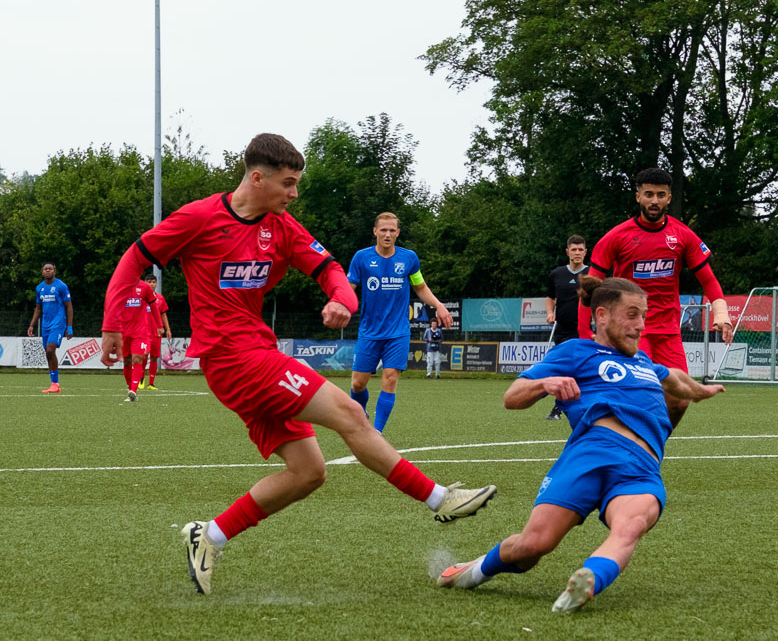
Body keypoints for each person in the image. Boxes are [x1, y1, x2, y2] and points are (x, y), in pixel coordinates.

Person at [99, 134, 496, 596]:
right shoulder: (200, 217)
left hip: (257, 353)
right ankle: (439, 498)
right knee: (350, 413)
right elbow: (136, 256)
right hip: (231, 358)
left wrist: (342, 299)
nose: (293, 194)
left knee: (308, 473)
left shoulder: (281, 227)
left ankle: (208, 536)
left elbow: (327, 268)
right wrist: (113, 324)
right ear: (257, 177)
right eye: (288, 184)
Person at [436, 275, 724, 613]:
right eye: (632, 315)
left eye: (643, 316)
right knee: (533, 547)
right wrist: (547, 383)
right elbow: (511, 397)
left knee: (630, 526)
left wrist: (701, 392)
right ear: (601, 315)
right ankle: (470, 572)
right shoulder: (576, 351)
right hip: (589, 455)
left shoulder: (646, 364)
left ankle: (588, 579)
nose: (640, 326)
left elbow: (675, 379)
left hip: (639, 470)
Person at [577, 167, 733, 421]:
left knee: (680, 399)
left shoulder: (683, 235)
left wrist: (722, 314)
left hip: (669, 331)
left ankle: (649, 447)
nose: (654, 201)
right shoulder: (616, 237)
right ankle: (629, 448)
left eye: (661, 195)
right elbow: (588, 291)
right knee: (641, 396)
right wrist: (586, 336)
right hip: (630, 331)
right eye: (648, 194)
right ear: (638, 197)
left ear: (669, 198)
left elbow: (708, 279)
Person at [347, 212, 452, 433]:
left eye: (392, 230)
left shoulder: (409, 258)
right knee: (358, 383)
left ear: (398, 233)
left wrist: (439, 305)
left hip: (398, 331)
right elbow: (350, 288)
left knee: (391, 378)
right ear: (375, 231)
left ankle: (376, 433)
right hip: (369, 331)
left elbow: (420, 287)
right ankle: (361, 409)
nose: (387, 234)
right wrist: (340, 303)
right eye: (383, 230)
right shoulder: (361, 258)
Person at [544, 234, 589, 420]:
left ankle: (586, 406)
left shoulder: (593, 273)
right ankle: (558, 407)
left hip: (585, 329)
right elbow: (550, 297)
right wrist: (549, 312)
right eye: (574, 249)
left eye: (580, 250)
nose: (577, 253)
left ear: (585, 252)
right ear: (567, 251)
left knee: (583, 369)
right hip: (562, 330)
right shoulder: (557, 274)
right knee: (564, 369)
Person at [27, 262, 73, 393]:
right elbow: (38, 308)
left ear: (54, 271)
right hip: (45, 325)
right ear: (42, 272)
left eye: (50, 269)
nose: (48, 271)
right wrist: (32, 325)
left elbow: (69, 307)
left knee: (50, 349)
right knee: (48, 353)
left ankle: (55, 383)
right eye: (45, 269)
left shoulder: (61, 286)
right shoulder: (39, 288)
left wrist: (69, 327)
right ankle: (54, 384)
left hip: (58, 323)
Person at [118, 277, 159, 402]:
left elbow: (157, 309)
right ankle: (131, 389)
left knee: (139, 358)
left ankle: (135, 390)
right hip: (124, 331)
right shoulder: (120, 287)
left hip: (141, 332)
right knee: (127, 361)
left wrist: (160, 326)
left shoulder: (144, 288)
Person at [143, 273, 172, 390]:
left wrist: (168, 329)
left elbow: (163, 314)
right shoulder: (140, 298)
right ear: (145, 283)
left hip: (156, 332)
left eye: (153, 282)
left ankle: (151, 383)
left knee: (154, 357)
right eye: (149, 282)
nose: (151, 284)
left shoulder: (160, 298)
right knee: (144, 355)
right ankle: (140, 378)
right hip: (143, 332)